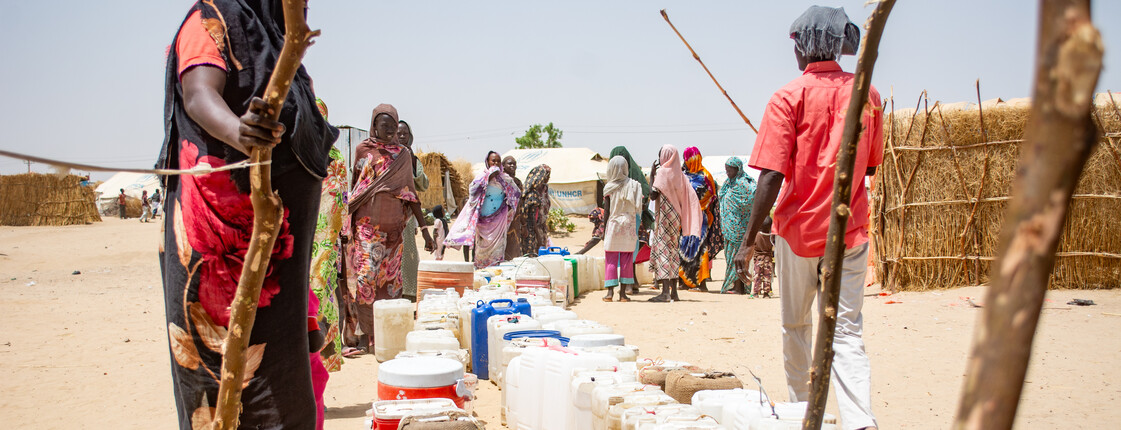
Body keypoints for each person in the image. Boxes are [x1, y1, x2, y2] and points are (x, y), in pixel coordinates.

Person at [157, 0, 340, 428]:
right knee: (226, 388)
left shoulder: (278, 47)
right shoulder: (214, 18)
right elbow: (199, 92)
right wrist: (239, 131)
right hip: (222, 258)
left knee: (285, 395)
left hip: (273, 267)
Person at [732, 6, 883, 429]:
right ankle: (859, 421)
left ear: (806, 45)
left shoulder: (787, 97)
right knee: (847, 331)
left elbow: (770, 177)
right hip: (849, 233)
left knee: (796, 326)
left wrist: (747, 240)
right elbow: (869, 166)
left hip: (797, 234)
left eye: (796, 44)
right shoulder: (866, 95)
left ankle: (804, 414)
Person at [346, 104, 433, 352]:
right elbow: (358, 185)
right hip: (367, 227)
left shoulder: (403, 155)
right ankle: (366, 334)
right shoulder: (364, 149)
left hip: (394, 231)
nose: (389, 130)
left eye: (393, 126)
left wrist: (425, 230)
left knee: (390, 283)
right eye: (384, 126)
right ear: (373, 125)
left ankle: (387, 334)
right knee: (365, 280)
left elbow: (411, 193)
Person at [446, 151, 521, 269]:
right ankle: (481, 274)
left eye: (498, 161)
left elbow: (516, 193)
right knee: (481, 252)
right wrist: (489, 177)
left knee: (497, 253)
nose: (495, 163)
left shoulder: (505, 179)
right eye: (493, 161)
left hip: (498, 221)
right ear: (488, 162)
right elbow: (472, 191)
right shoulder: (481, 177)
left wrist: (507, 209)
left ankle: (494, 275)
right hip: (482, 223)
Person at [648, 145, 702, 303]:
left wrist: (652, 174)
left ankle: (664, 292)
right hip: (676, 216)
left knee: (663, 250)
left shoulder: (662, 172)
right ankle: (674, 293)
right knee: (672, 250)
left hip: (665, 215)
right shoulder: (680, 174)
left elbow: (652, 195)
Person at [609, 146, 653, 294]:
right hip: (632, 219)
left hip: (631, 220)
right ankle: (630, 282)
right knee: (627, 251)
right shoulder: (631, 180)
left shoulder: (622, 181)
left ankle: (626, 284)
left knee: (626, 251)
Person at [679, 147, 723, 291]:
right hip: (685, 218)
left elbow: (712, 197)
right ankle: (685, 281)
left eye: (687, 159)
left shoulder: (706, 176)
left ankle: (702, 283)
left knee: (700, 248)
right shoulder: (682, 175)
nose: (685, 161)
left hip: (700, 218)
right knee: (684, 247)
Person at [601, 156, 643, 302]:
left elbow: (606, 211)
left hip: (613, 224)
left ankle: (609, 293)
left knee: (611, 259)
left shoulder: (609, 187)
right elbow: (640, 207)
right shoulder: (634, 185)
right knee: (626, 259)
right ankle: (623, 295)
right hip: (629, 226)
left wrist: (603, 229)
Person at [398, 120, 429, 301]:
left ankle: (408, 294)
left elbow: (423, 185)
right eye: (399, 133)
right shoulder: (386, 156)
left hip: (408, 215)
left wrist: (411, 161)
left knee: (408, 254)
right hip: (388, 213)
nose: (402, 137)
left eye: (405, 134)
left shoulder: (414, 159)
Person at [717, 157, 756, 294]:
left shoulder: (744, 183)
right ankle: (734, 285)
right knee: (730, 257)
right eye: (726, 169)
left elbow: (753, 197)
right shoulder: (728, 183)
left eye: (730, 169)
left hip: (739, 228)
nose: (727, 172)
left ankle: (739, 287)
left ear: (737, 169)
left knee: (738, 257)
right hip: (728, 228)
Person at [518, 165, 552, 256]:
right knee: (531, 255)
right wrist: (538, 236)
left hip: (528, 229)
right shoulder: (533, 195)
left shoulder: (528, 193)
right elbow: (532, 218)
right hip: (531, 230)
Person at [502, 156, 524, 260]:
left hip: (515, 221)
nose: (512, 166)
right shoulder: (500, 181)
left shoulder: (518, 183)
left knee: (514, 247)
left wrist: (523, 223)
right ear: (503, 166)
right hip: (502, 220)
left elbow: (521, 204)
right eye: (509, 163)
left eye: (514, 164)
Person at [752, 216, 775, 298]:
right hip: (768, 259)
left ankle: (755, 292)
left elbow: (753, 246)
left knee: (757, 275)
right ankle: (766, 293)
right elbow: (773, 247)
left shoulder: (757, 235)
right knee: (767, 276)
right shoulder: (771, 237)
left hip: (758, 259)